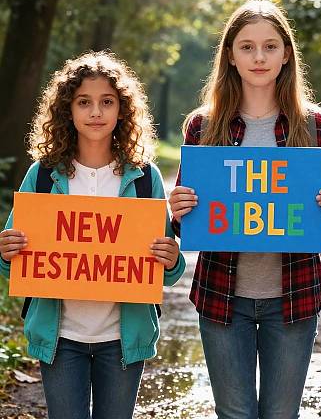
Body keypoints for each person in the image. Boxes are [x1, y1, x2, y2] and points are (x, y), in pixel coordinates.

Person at [169, 0, 321, 419]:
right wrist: (176, 208)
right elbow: (181, 224)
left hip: (294, 295)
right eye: (247, 46)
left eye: (270, 46)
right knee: (234, 414)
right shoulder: (203, 126)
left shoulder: (314, 125)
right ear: (230, 55)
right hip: (221, 296)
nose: (259, 56)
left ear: (286, 54)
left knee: (282, 414)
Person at [0, 51, 185, 419]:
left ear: (122, 110)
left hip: (122, 338)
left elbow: (169, 269)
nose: (96, 112)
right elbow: (13, 264)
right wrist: (6, 252)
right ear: (68, 110)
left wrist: (170, 258)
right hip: (60, 337)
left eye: (106, 102)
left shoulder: (144, 177)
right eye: (84, 102)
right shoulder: (42, 175)